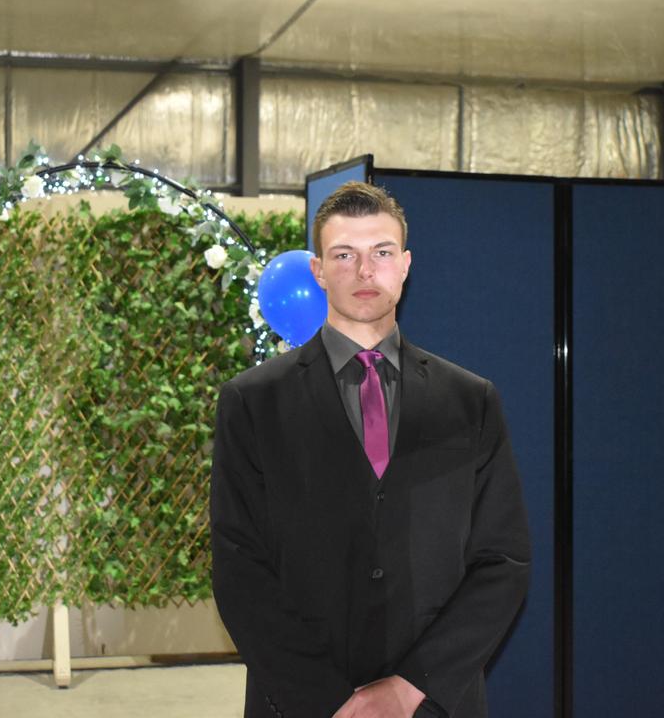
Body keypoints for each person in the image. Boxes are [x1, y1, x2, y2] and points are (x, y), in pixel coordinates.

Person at [210, 181, 531, 718]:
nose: (365, 272)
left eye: (381, 253)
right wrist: (331, 702)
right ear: (317, 271)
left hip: (433, 702)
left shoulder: (470, 400)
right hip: (300, 705)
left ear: (405, 265)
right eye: (345, 255)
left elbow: (503, 558)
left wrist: (408, 687)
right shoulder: (252, 402)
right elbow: (239, 570)